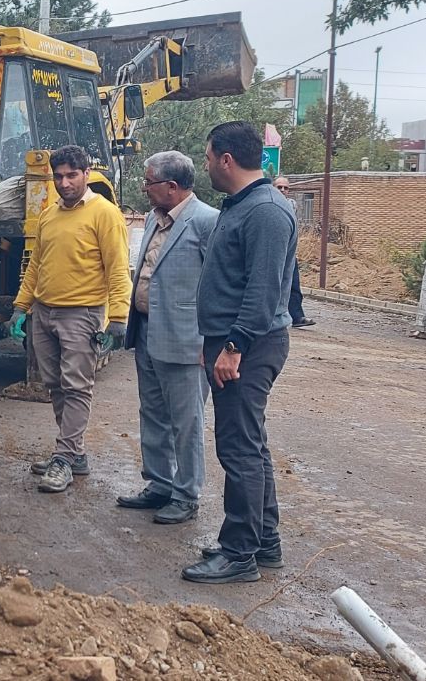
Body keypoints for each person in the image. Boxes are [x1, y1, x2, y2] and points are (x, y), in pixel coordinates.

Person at [184, 122, 297, 584]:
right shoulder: (242, 206)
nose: (206, 164)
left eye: (209, 156)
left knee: (238, 448)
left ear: (226, 159)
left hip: (249, 345)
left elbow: (264, 290)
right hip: (232, 342)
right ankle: (263, 540)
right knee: (249, 443)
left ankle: (239, 554)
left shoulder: (267, 211)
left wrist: (232, 347)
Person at [10, 145, 131, 494]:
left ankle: (64, 457)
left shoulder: (105, 214)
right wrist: (21, 307)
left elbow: (118, 269)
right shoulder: (49, 216)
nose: (64, 183)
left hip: (83, 314)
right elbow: (36, 265)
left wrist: (119, 317)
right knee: (55, 384)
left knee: (77, 386)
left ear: (86, 174)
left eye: (71, 175)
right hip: (44, 312)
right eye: (58, 176)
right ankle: (73, 454)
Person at [118, 151, 219, 525]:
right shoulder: (152, 219)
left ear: (172, 187)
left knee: (187, 420)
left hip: (186, 340)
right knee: (153, 413)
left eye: (149, 182)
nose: (144, 188)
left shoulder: (207, 222)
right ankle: (159, 483)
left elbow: (219, 284)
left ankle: (186, 493)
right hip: (147, 331)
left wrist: (210, 341)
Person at [273, 176, 315, 328]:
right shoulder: (267, 205)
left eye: (286, 188)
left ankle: (297, 316)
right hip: (272, 253)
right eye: (279, 187)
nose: (283, 190)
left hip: (288, 253)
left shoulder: (291, 206)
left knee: (294, 284)